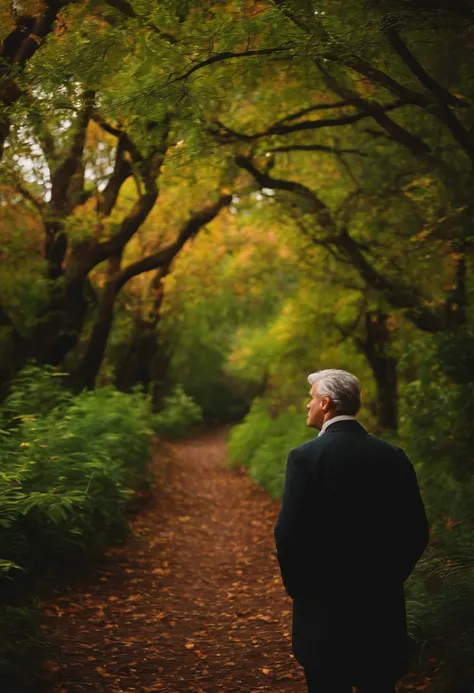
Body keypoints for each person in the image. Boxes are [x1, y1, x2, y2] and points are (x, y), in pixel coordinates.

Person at [274, 369, 430, 693]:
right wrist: (387, 577)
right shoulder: (392, 456)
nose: (308, 405)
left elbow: (288, 535)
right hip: (380, 610)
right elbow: (416, 531)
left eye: (311, 398)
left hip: (321, 612)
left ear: (326, 403)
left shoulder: (304, 458)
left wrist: (301, 589)